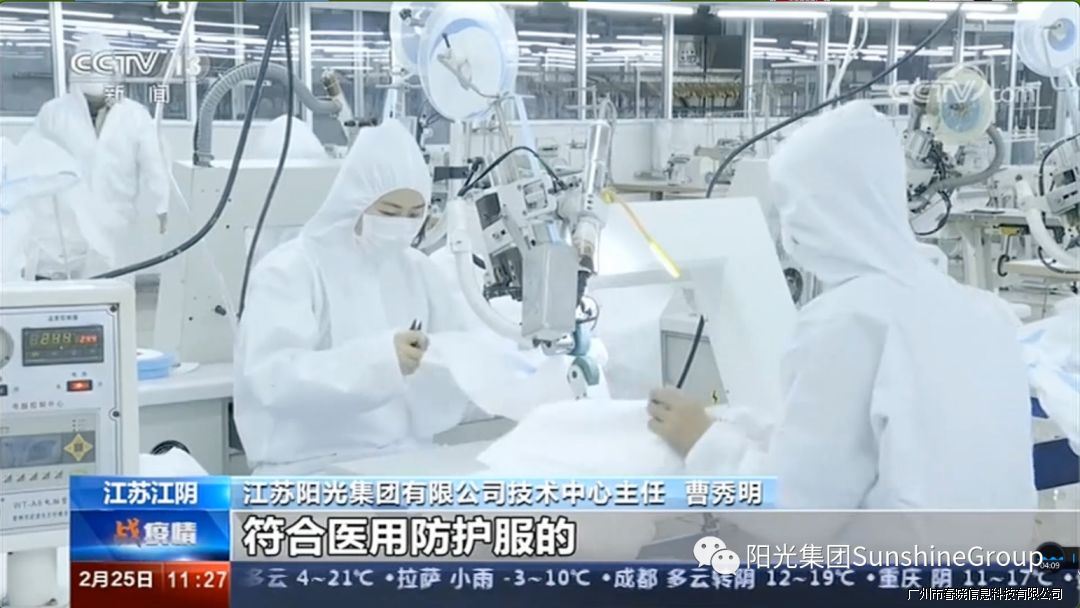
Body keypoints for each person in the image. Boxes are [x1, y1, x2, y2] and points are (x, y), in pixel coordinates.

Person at [647, 101, 1036, 510]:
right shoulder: (984, 311)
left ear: (819, 210)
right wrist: (736, 426)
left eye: (791, 207)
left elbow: (795, 509)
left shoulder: (848, 323)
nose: (789, 231)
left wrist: (701, 443)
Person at [234, 120, 473, 474]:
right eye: (389, 212)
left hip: (402, 457)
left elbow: (460, 353)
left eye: (415, 214)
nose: (403, 225)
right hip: (308, 467)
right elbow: (273, 379)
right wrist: (382, 361)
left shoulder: (417, 270)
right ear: (354, 201)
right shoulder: (290, 270)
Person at [28, 32, 168, 278]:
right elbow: (30, 164)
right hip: (63, 235)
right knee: (60, 297)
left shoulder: (135, 115)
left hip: (115, 228)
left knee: (112, 293)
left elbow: (155, 165)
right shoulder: (53, 113)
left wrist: (163, 205)